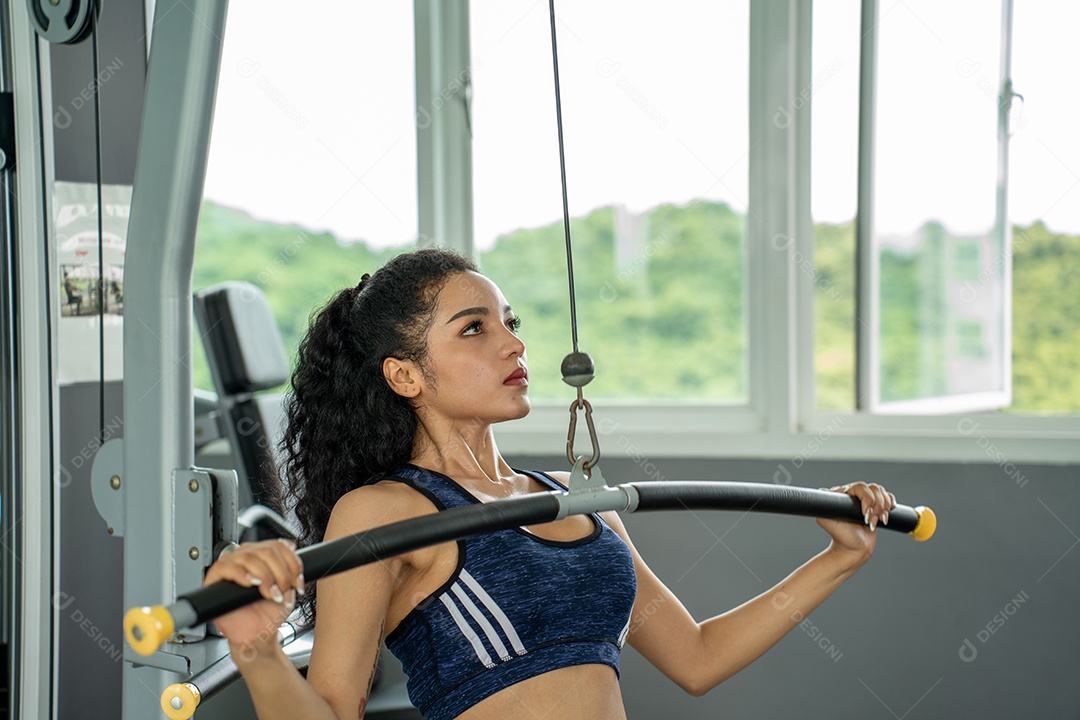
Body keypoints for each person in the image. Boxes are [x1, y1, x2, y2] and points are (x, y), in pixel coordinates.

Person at [203, 248, 896, 720]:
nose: (513, 344)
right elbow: (334, 711)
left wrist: (840, 558)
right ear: (405, 375)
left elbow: (697, 657)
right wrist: (259, 650)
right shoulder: (384, 511)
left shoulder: (573, 495)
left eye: (509, 323)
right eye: (473, 329)